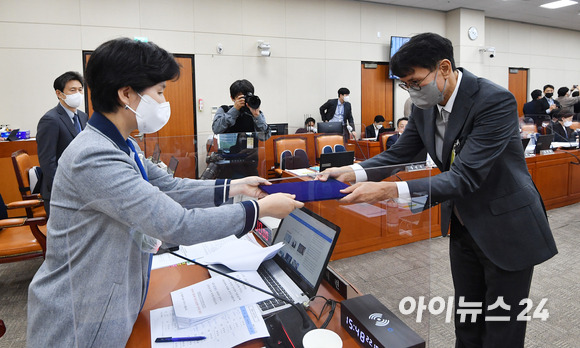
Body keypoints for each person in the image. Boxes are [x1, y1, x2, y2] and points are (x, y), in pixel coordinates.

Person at [26, 38, 303, 347]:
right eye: (159, 91)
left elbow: (171, 186)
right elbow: (177, 224)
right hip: (81, 318)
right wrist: (259, 211)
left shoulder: (122, 143)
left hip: (113, 300)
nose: (162, 101)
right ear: (126, 94)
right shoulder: (95, 156)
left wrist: (237, 187)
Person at [319, 32, 557, 348]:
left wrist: (388, 192)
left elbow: (464, 177)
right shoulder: (425, 106)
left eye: (416, 82)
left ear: (444, 68)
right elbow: (401, 153)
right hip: (462, 224)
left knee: (502, 329)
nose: (412, 91)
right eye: (405, 85)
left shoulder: (494, 101)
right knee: (467, 319)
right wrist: (351, 171)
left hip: (507, 226)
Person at [36, 71, 89, 217]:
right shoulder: (50, 119)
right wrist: (63, 189)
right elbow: (48, 162)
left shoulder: (83, 117)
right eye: (72, 90)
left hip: (82, 188)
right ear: (59, 93)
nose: (77, 94)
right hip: (60, 192)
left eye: (80, 90)